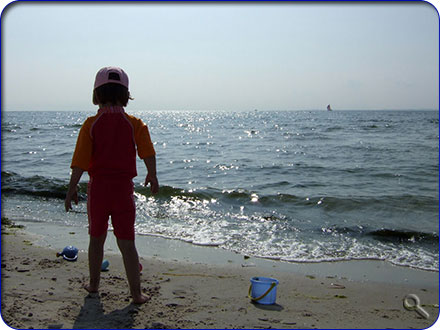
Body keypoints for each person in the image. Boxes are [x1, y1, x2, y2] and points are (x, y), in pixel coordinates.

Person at [64, 66, 159, 304]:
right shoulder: (134, 123)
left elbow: (80, 162)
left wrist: (71, 188)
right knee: (127, 242)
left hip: (98, 191)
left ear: (96, 94)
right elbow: (147, 152)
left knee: (96, 238)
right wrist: (152, 175)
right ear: (126, 94)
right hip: (123, 191)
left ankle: (94, 285)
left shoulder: (91, 125)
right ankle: (136, 294)